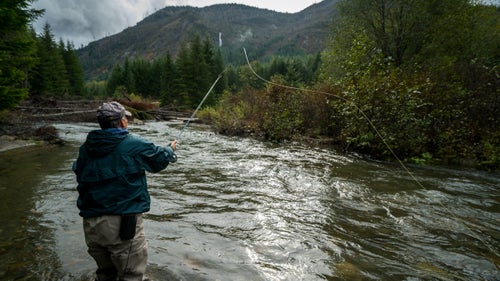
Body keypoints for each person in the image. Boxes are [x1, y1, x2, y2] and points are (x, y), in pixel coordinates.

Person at [72, 101, 177, 281]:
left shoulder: (86, 148)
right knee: (131, 276)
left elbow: (79, 172)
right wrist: (171, 149)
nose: (126, 121)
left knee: (105, 275)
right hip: (122, 225)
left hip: (91, 225)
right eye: (125, 118)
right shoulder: (132, 144)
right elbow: (159, 159)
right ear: (121, 122)